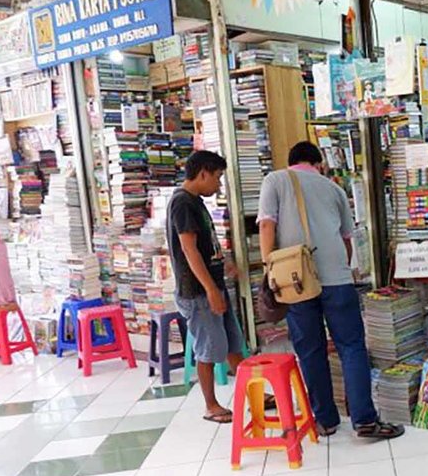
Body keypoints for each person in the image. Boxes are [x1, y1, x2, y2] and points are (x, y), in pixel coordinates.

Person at [258, 141, 403, 440]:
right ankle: (364, 420)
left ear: (291, 161)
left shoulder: (275, 180)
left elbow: (266, 226)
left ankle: (325, 420)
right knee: (351, 347)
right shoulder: (334, 189)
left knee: (310, 350)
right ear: (318, 163)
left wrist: (269, 267)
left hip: (297, 281)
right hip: (337, 279)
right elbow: (347, 238)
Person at [166, 151, 245, 424]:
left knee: (233, 342)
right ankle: (211, 404)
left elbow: (204, 245)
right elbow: (189, 250)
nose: (219, 185)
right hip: (198, 292)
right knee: (209, 348)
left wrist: (224, 263)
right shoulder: (182, 204)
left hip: (213, 284)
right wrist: (210, 289)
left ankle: (251, 390)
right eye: (218, 178)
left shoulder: (195, 202)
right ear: (202, 173)